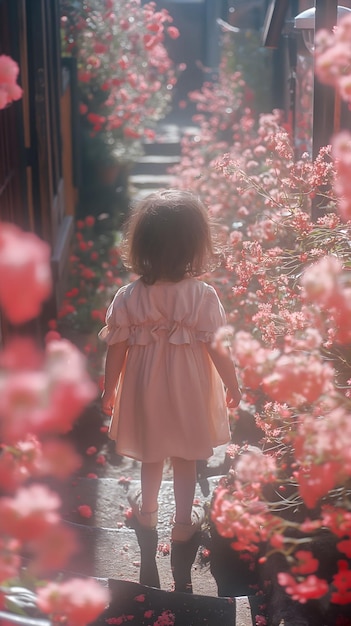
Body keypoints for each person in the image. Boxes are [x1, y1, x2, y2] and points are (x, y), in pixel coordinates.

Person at [99, 189, 241, 543]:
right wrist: (233, 384)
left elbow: (116, 347)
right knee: (185, 455)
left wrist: (109, 387)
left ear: (141, 246)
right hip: (189, 386)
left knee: (151, 451)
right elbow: (218, 348)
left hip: (145, 384)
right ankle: (182, 523)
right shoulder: (202, 296)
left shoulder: (129, 296)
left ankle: (147, 513)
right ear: (195, 245)